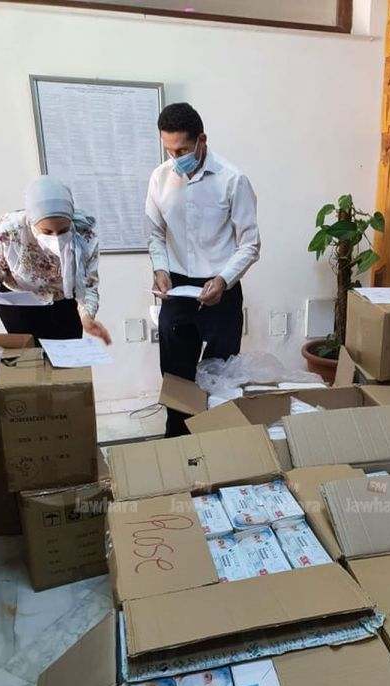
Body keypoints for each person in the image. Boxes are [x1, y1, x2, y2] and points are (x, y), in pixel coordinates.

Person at [146, 102, 261, 437]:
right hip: (178, 288)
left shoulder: (232, 179)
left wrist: (223, 280)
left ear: (202, 140)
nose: (175, 158)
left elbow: (250, 244)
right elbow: (155, 234)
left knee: (221, 379)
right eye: (169, 150)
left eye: (182, 150)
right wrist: (160, 269)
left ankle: (215, 443)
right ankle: (177, 443)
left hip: (221, 288)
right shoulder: (160, 178)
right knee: (177, 379)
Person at [0, 176, 111, 343]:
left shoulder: (84, 236)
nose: (56, 237)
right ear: (32, 223)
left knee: (67, 354)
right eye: (47, 232)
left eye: (63, 230)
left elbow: (88, 285)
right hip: (20, 306)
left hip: (63, 303)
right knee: (28, 354)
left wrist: (87, 318)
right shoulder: (8, 232)